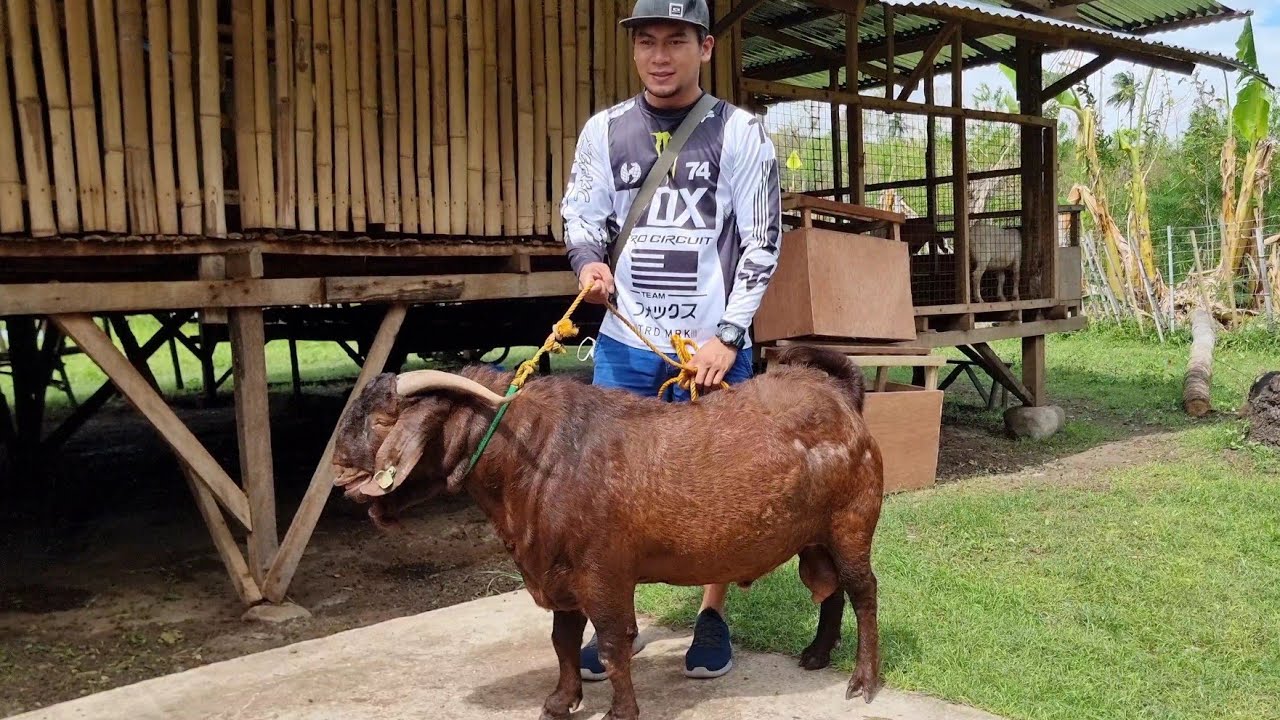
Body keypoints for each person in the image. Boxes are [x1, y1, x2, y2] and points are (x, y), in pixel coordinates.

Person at [559, 0, 783, 683]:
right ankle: (613, 623)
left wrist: (728, 336)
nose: (660, 55)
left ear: (705, 48)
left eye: (676, 41)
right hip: (626, 346)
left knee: (718, 489)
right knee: (605, 493)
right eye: (647, 42)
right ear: (634, 51)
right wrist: (587, 264)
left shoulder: (741, 134)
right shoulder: (604, 131)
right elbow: (582, 213)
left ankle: (712, 615)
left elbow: (762, 242)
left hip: (708, 352)